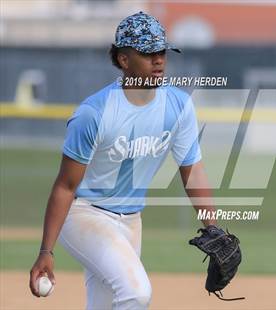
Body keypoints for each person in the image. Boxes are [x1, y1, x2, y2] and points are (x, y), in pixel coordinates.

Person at [29, 11, 216, 309]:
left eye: (161, 52)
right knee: (136, 292)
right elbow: (65, 186)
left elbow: (192, 170)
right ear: (124, 60)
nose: (158, 59)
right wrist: (46, 251)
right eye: (147, 52)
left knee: (105, 304)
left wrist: (213, 227)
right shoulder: (94, 113)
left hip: (131, 221)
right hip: (85, 215)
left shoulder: (179, 106)